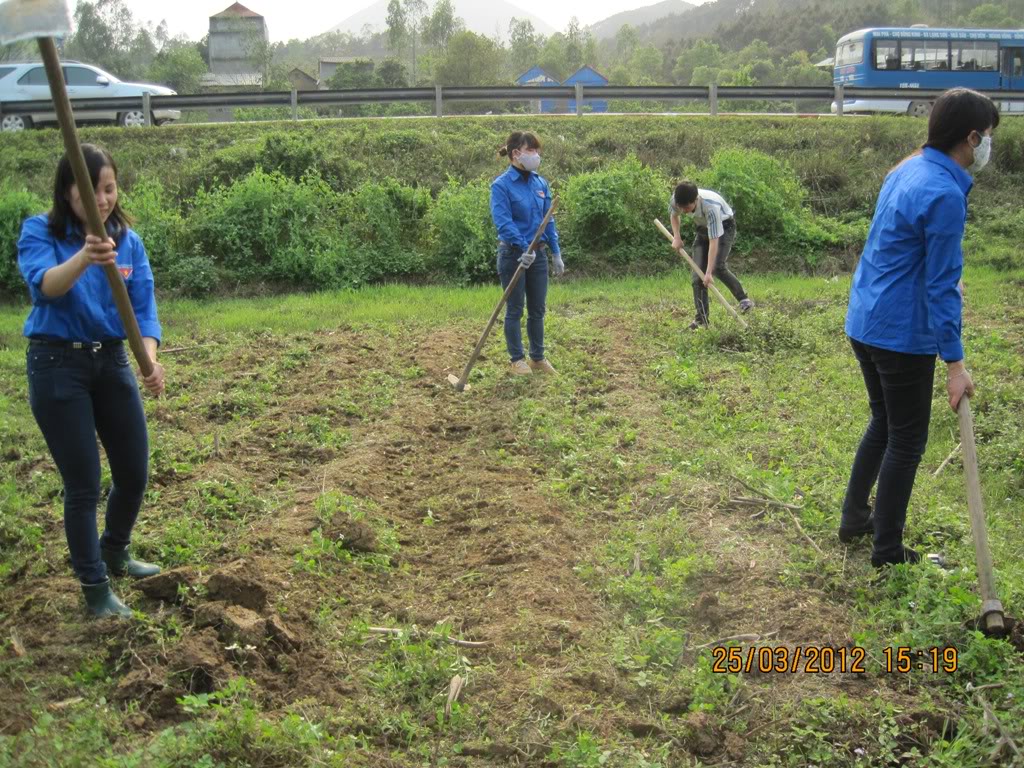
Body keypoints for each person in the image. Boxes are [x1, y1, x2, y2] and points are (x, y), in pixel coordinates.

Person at [840, 88, 998, 567]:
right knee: (907, 439)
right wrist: (956, 365)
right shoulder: (947, 192)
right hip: (899, 332)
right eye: (987, 136)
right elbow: (942, 289)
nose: (987, 145)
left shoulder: (905, 168)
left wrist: (946, 274)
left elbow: (904, 247)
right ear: (971, 137)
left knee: (884, 423)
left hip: (865, 318)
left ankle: (854, 519)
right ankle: (886, 550)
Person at [18, 144, 165, 617]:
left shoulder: (129, 241)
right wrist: (85, 256)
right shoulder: (40, 231)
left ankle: (115, 550)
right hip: (58, 366)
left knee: (134, 471)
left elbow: (143, 310)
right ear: (68, 192)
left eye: (108, 188)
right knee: (84, 484)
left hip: (112, 362)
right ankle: (95, 587)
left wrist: (150, 359)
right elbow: (46, 286)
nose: (101, 200)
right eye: (89, 190)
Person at [490, 130, 563, 376]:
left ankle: (537, 358)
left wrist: (555, 252)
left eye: (536, 150)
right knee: (514, 309)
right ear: (515, 154)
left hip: (538, 256)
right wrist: (523, 248)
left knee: (537, 309)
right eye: (530, 150)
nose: (535, 155)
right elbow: (504, 223)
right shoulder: (501, 186)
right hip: (513, 256)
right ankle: (516, 360)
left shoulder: (540, 182)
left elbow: (547, 221)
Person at [670, 181, 754, 329]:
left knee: (716, 267)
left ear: (695, 200)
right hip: (702, 228)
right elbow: (674, 215)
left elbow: (714, 241)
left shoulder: (711, 207)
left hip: (725, 227)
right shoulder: (678, 199)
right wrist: (676, 237)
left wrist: (708, 273)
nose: (683, 211)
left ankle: (744, 300)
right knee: (697, 277)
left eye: (687, 208)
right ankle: (702, 320)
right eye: (681, 207)